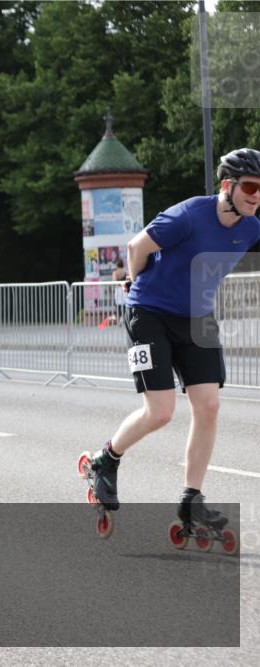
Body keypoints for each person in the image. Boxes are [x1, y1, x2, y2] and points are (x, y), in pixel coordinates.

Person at [88, 148, 260, 529]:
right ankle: (107, 458)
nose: (257, 195)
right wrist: (137, 282)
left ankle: (191, 499)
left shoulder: (251, 228)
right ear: (228, 185)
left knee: (209, 405)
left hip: (197, 317)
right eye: (251, 186)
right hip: (149, 313)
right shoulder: (187, 215)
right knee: (161, 411)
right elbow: (136, 247)